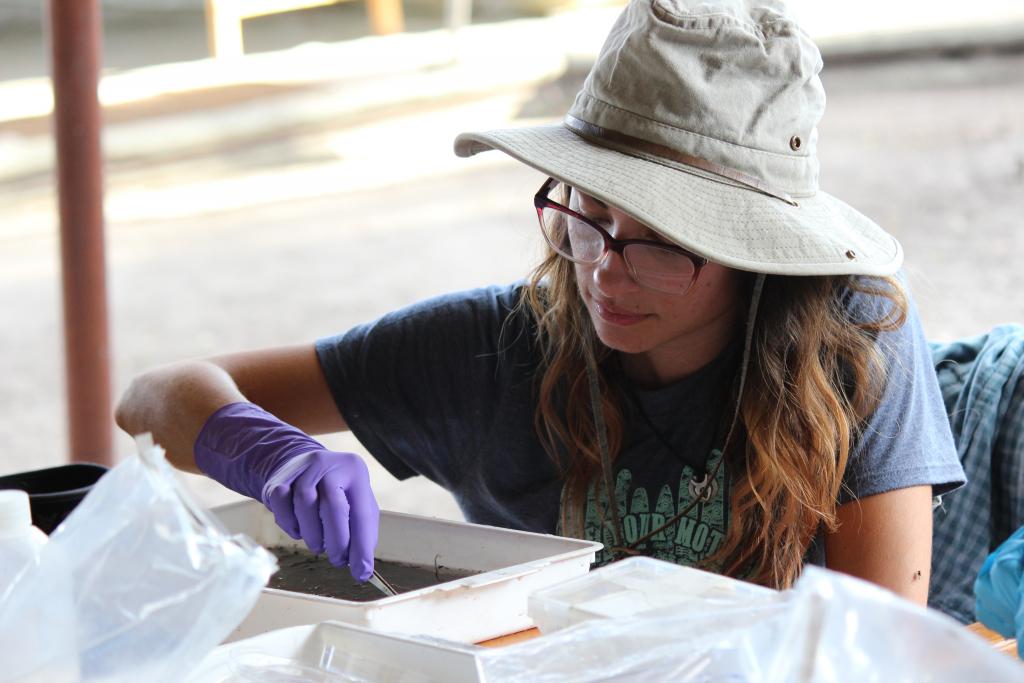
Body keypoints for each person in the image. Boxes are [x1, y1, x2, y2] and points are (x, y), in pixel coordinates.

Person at [115, 0, 965, 602]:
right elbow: (150, 399)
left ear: (758, 253)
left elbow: (879, 642)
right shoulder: (497, 347)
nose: (604, 269)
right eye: (587, 216)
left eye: (664, 239)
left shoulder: (848, 337)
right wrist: (263, 452)